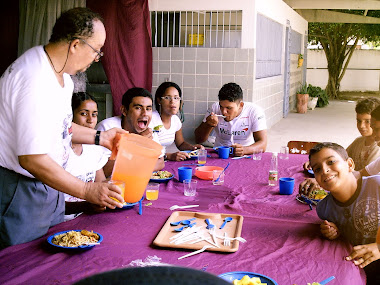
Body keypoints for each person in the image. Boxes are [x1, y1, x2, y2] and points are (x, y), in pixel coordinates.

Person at [0, 7, 126, 249]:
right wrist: (87, 190)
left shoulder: (62, 77)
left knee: (55, 255)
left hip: (49, 184)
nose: (96, 58)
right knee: (23, 265)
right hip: (22, 189)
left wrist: (102, 137)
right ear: (75, 45)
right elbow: (31, 159)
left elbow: (62, 127)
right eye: (96, 51)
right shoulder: (34, 78)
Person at [301, 142, 380, 284]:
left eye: (331, 162)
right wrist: (336, 231)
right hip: (361, 269)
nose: (324, 170)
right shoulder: (324, 209)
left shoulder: (377, 185)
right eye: (317, 169)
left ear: (350, 164)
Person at [301, 103, 380, 192]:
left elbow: (366, 181)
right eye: (359, 121)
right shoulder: (360, 142)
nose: (374, 135)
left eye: (376, 129)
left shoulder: (377, 150)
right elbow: (359, 174)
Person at [97, 87, 165, 177]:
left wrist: (132, 165)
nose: (144, 113)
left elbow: (160, 162)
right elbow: (102, 171)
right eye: (138, 108)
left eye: (148, 109)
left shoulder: (149, 129)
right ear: (124, 110)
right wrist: (136, 145)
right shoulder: (107, 128)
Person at [64, 92, 110, 221]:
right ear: (70, 117)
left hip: (87, 217)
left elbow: (100, 184)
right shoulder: (59, 151)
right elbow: (50, 206)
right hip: (62, 222)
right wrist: (85, 206)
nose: (90, 120)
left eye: (94, 114)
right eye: (83, 114)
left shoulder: (93, 149)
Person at [194, 82, 267, 157]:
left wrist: (244, 150)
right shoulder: (214, 108)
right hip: (219, 154)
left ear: (240, 105)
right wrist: (208, 125)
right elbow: (199, 140)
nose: (223, 112)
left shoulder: (254, 111)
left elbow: (263, 144)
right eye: (221, 106)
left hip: (245, 154)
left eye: (229, 108)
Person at [152, 81, 203, 161]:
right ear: (159, 100)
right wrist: (168, 156)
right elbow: (145, 150)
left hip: (161, 162)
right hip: (150, 163)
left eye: (176, 98)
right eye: (167, 98)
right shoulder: (151, 119)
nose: (172, 102)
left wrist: (193, 148)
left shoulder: (175, 120)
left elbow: (180, 144)